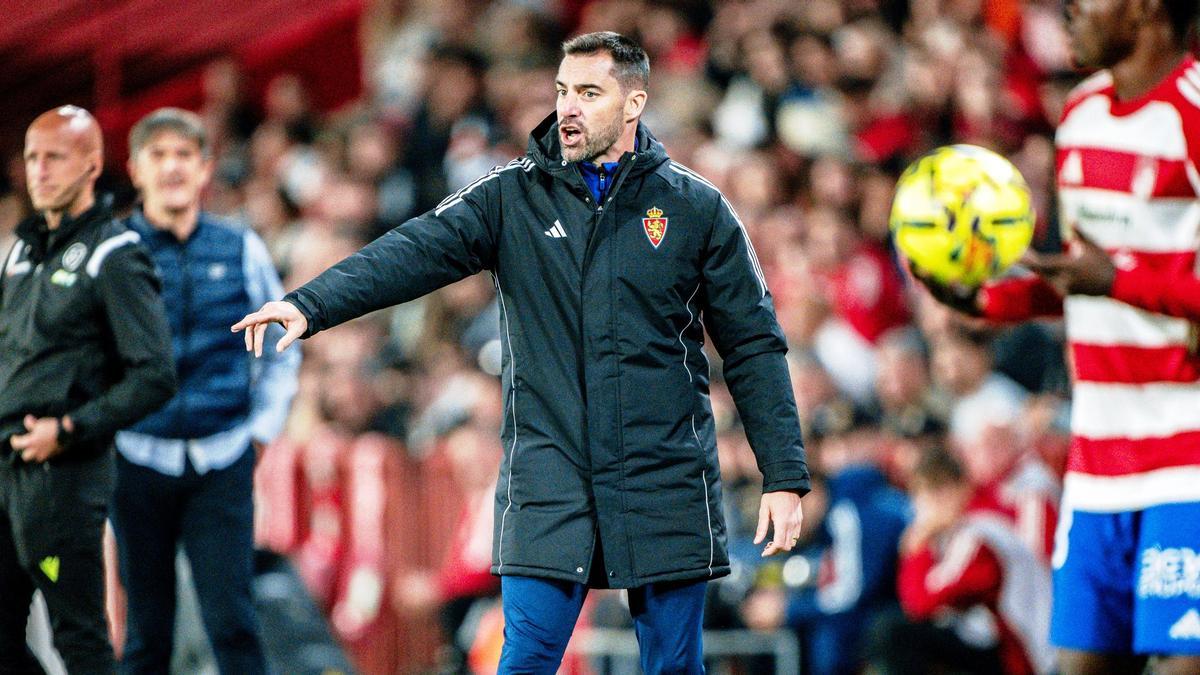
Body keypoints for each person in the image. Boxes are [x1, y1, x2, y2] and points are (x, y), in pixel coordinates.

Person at [234, 31, 809, 673]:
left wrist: (782, 474)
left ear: (634, 103)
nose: (567, 107)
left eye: (589, 93)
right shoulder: (511, 196)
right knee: (526, 659)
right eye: (562, 90)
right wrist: (311, 305)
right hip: (549, 478)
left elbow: (754, 344)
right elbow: (412, 251)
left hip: (664, 478)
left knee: (674, 666)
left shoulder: (698, 208)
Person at [914, 1, 1200, 671]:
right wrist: (986, 300)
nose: (1069, 9)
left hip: (1187, 451)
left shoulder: (1192, 109)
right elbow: (1080, 279)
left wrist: (1121, 278)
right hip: (1098, 459)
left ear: (1147, 8)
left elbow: (1111, 277)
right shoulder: (1079, 115)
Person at [110, 108, 300, 675]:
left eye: (184, 155)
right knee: (147, 631)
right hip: (137, 459)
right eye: (158, 155)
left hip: (222, 459)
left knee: (234, 623)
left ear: (205, 169)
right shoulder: (112, 254)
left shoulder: (241, 248)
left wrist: (262, 431)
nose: (172, 167)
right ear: (135, 169)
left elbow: (284, 347)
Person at [0, 106, 177, 674]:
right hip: (6, 469)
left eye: (55, 157)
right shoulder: (21, 252)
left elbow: (155, 375)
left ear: (93, 164)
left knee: (79, 639)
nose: (40, 170)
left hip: (63, 479)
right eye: (32, 157)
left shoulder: (115, 254)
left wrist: (70, 428)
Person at [868, 448, 1052, 675]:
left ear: (963, 488)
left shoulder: (979, 533)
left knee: (893, 630)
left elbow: (920, 604)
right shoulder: (961, 530)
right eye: (927, 494)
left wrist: (917, 547)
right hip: (1001, 641)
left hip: (1023, 653)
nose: (935, 504)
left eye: (942, 490)